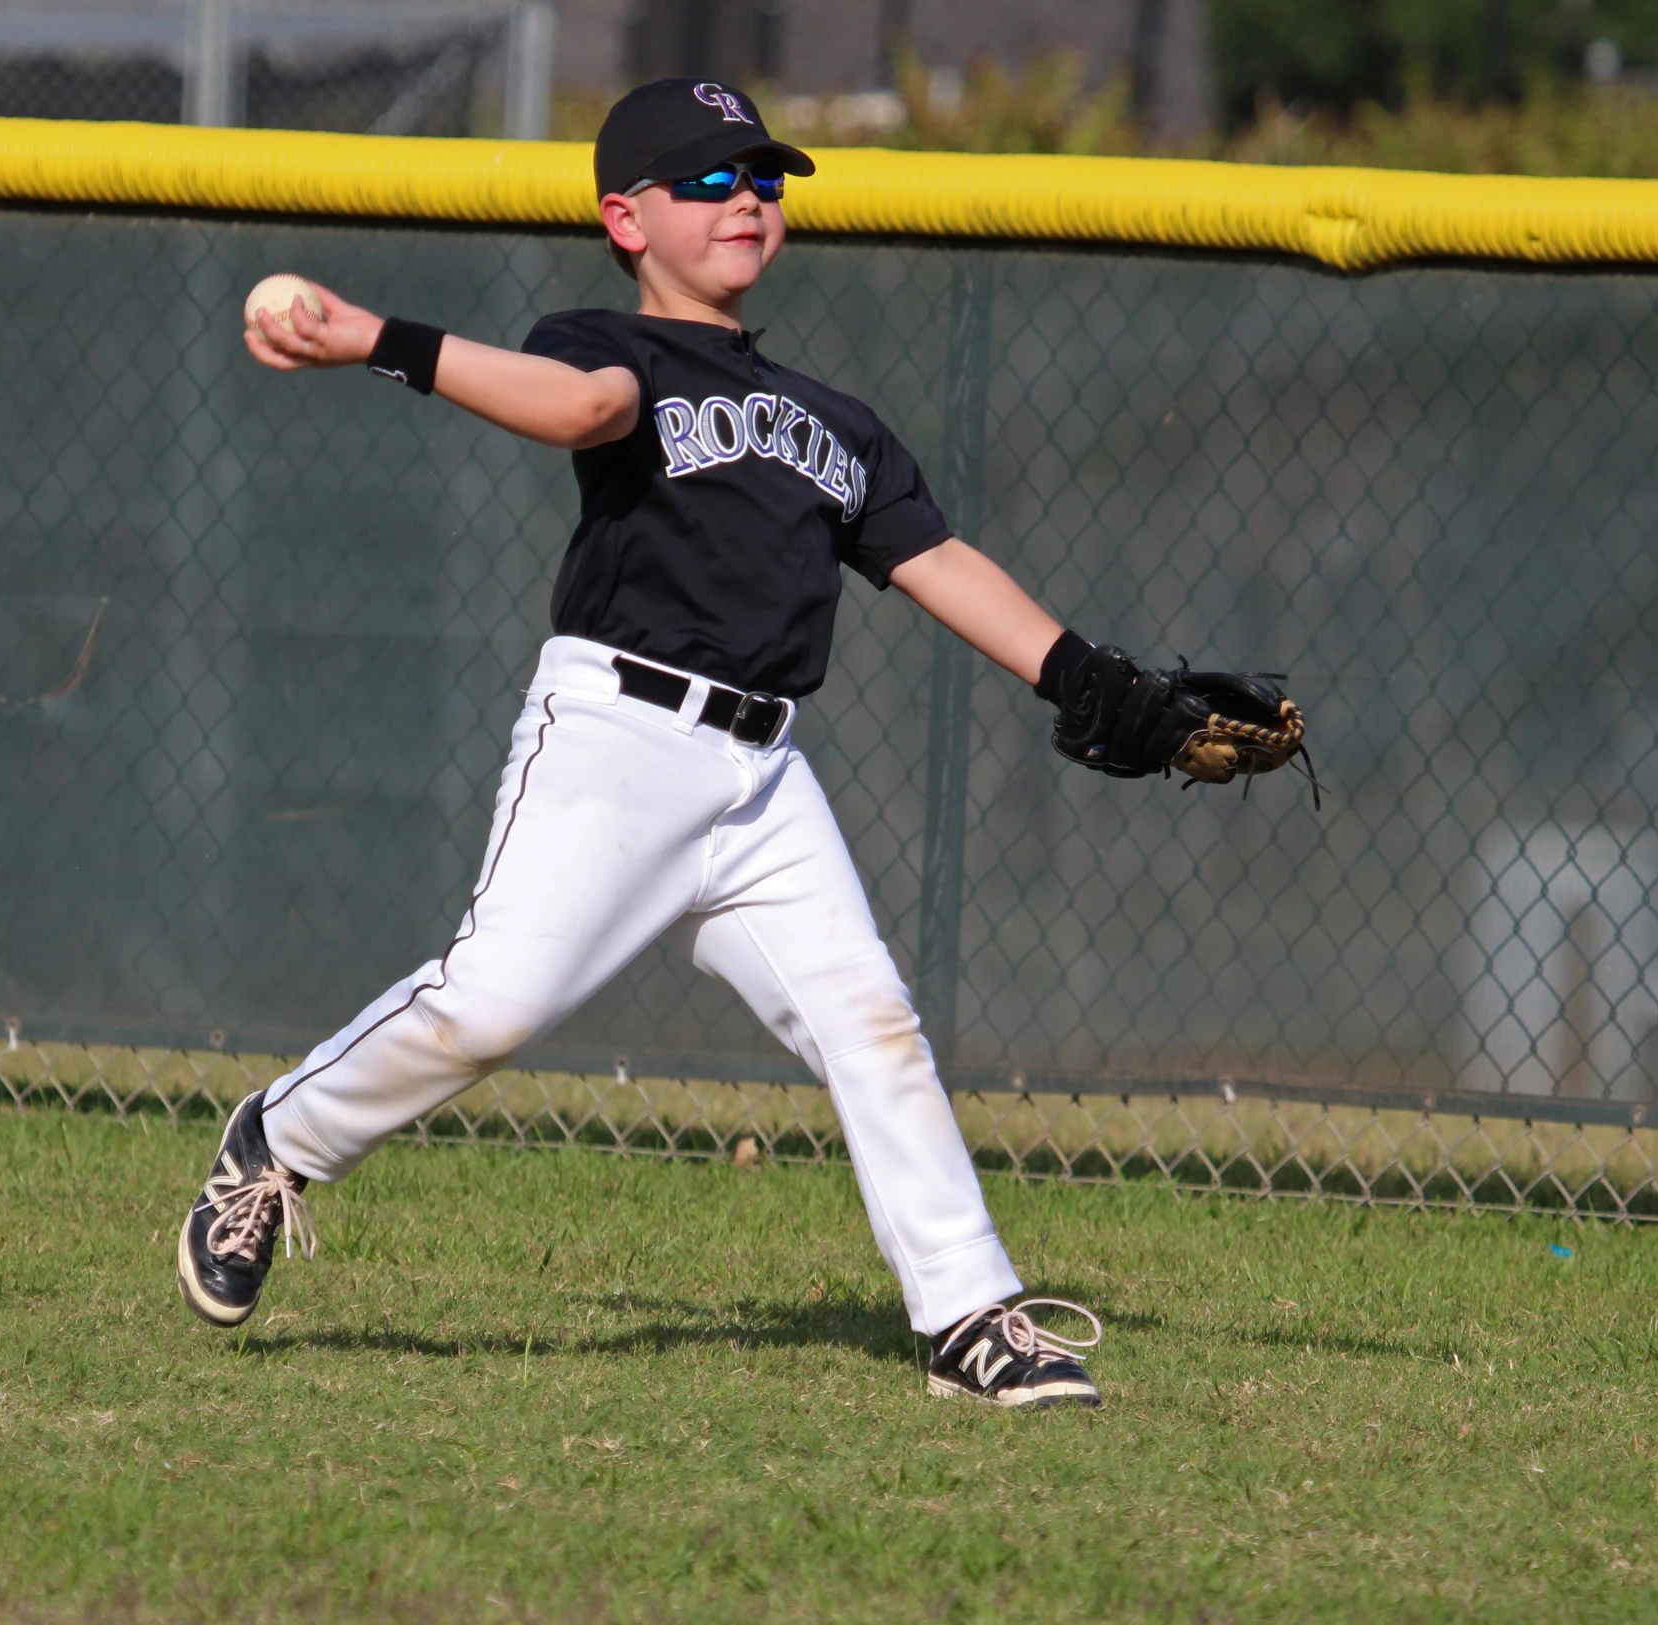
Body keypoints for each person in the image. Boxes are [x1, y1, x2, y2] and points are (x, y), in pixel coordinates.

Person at [173, 78, 1120, 1408]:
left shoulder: (836, 422)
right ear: (626, 216)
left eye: (766, 178)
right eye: (712, 180)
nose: (750, 199)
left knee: (873, 1027)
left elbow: (934, 559)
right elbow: (580, 412)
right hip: (616, 736)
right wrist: (374, 340)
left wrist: (1087, 678)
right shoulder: (607, 344)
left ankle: (971, 1318)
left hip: (762, 775)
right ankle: (278, 1140)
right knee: (490, 1008)